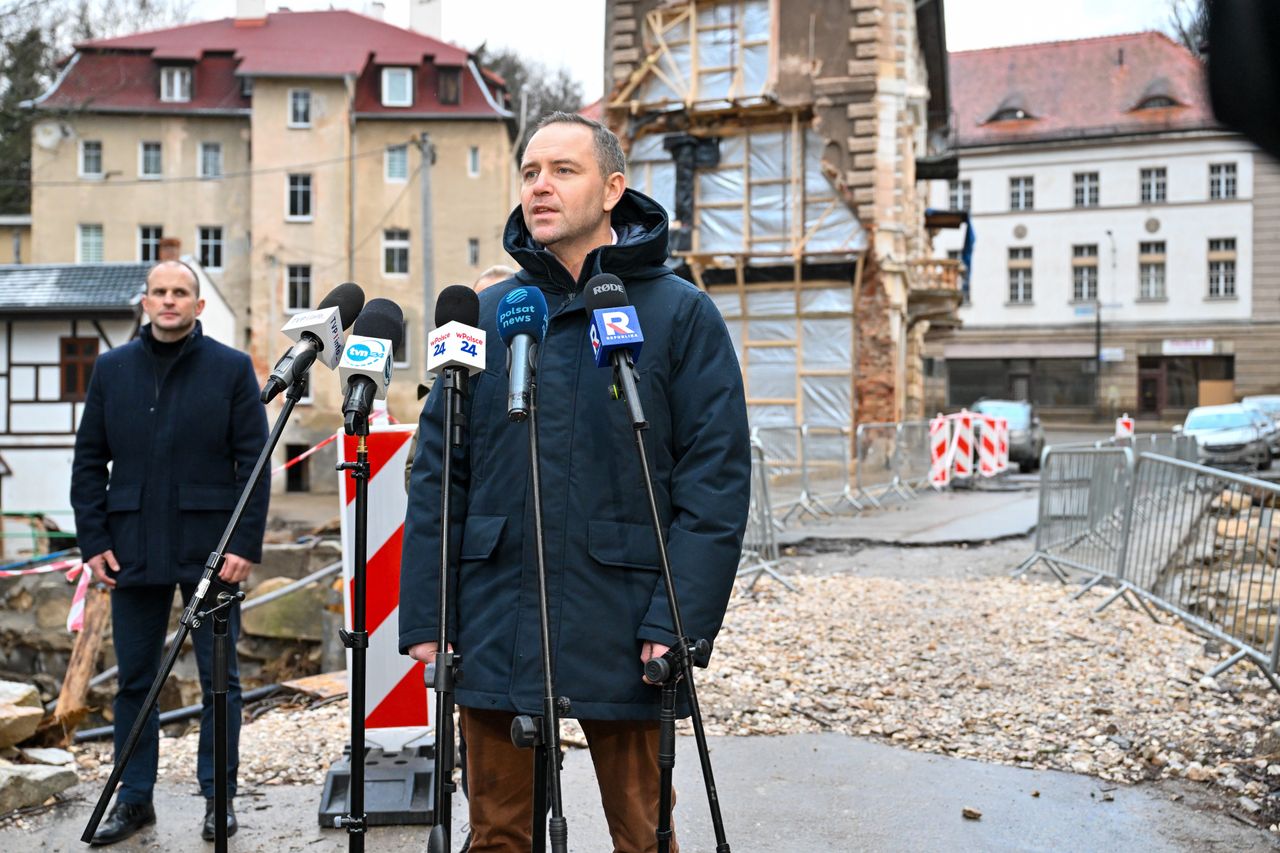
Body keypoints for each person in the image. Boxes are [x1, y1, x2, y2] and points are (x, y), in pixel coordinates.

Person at [399, 112, 750, 852]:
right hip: (495, 614)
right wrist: (428, 613)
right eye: (530, 172)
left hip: (625, 617)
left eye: (563, 170)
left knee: (643, 830)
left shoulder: (679, 314)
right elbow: (438, 474)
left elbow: (714, 483)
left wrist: (676, 622)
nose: (541, 187)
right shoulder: (487, 317)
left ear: (613, 188)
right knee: (496, 832)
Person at [71, 260, 270, 845]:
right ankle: (134, 801)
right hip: (130, 547)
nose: (168, 301)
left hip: (211, 548)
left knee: (218, 680)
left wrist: (243, 545)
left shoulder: (231, 370)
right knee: (135, 680)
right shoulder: (112, 369)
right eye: (159, 292)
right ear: (145, 302)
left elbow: (253, 465)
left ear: (198, 306)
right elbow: (88, 463)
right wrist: (94, 541)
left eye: (180, 292)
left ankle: (219, 798)